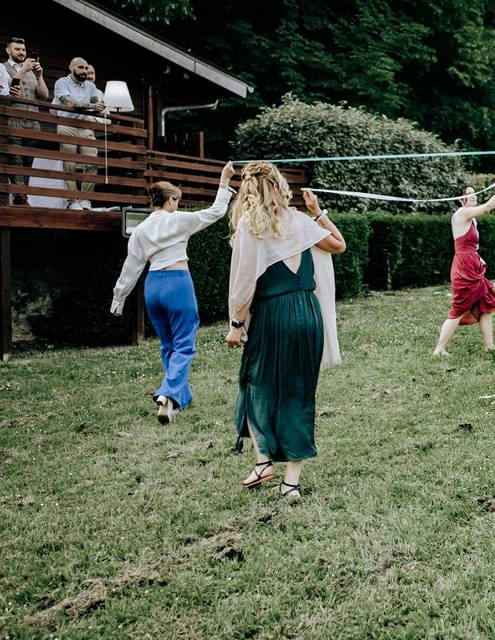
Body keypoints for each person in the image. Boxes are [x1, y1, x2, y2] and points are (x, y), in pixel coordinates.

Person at [226, 162, 346, 500]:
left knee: (255, 384)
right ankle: (290, 483)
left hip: (272, 315)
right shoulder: (302, 222)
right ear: (280, 187)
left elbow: (244, 282)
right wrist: (318, 212)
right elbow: (338, 245)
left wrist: (236, 325)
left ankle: (264, 461)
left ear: (248, 193)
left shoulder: (252, 227)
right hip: (309, 314)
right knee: (299, 391)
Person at [111, 162, 236, 423]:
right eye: (177, 201)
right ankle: (166, 392)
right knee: (185, 345)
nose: (178, 206)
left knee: (169, 345)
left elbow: (131, 267)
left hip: (153, 286)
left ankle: (178, 400)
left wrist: (118, 299)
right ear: (170, 201)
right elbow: (216, 212)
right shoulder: (179, 220)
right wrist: (224, 181)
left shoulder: (141, 230)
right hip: (177, 283)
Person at [432, 183, 495, 357]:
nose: (474, 196)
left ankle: (490, 348)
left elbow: (471, 245)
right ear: (461, 200)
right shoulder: (463, 213)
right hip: (464, 269)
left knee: (486, 305)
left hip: (472, 265)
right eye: (470, 194)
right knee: (458, 309)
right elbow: (489, 207)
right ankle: (439, 349)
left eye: (475, 193)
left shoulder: (471, 218)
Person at [53, 57, 105, 210]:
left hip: (85, 126)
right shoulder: (61, 82)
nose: (84, 71)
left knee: (92, 161)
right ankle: (72, 200)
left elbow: (97, 106)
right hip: (66, 124)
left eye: (86, 68)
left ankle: (85, 200)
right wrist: (92, 106)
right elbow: (70, 103)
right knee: (69, 164)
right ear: (71, 67)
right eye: (80, 68)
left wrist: (98, 107)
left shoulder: (91, 86)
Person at [4, 37, 48, 205]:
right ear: (9, 50)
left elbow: (44, 96)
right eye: (17, 49)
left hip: (33, 121)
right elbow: (8, 90)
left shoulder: (32, 71)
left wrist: (39, 76)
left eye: (23, 50)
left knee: (28, 161)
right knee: (15, 159)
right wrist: (22, 70)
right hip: (14, 119)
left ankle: (22, 196)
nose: (22, 52)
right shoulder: (3, 68)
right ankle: (20, 197)